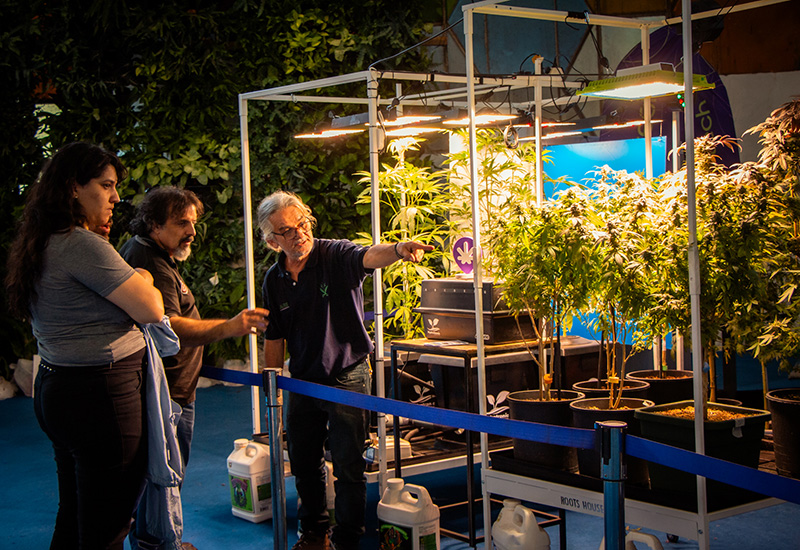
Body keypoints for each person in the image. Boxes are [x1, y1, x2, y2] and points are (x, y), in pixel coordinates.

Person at [4, 142, 165, 549]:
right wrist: (144, 276)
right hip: (100, 396)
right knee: (107, 523)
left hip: (61, 387)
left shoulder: (43, 240)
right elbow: (151, 308)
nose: (115, 197)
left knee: (76, 513)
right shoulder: (80, 244)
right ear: (74, 187)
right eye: (106, 186)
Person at [256, 190, 432, 550]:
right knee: (303, 461)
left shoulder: (334, 255)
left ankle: (348, 540)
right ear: (273, 241)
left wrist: (398, 249)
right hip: (303, 381)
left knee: (349, 464)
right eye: (287, 231)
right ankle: (314, 533)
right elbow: (274, 336)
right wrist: (271, 385)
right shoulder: (274, 279)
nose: (299, 234)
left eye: (302, 224)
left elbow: (367, 256)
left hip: (347, 375)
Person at [119, 186, 269, 549]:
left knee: (160, 476)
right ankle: (157, 544)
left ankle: (156, 542)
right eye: (182, 223)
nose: (192, 231)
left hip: (171, 391)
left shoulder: (155, 254)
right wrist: (231, 327)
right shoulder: (147, 261)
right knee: (162, 478)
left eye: (193, 222)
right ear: (154, 224)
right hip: (165, 395)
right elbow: (170, 326)